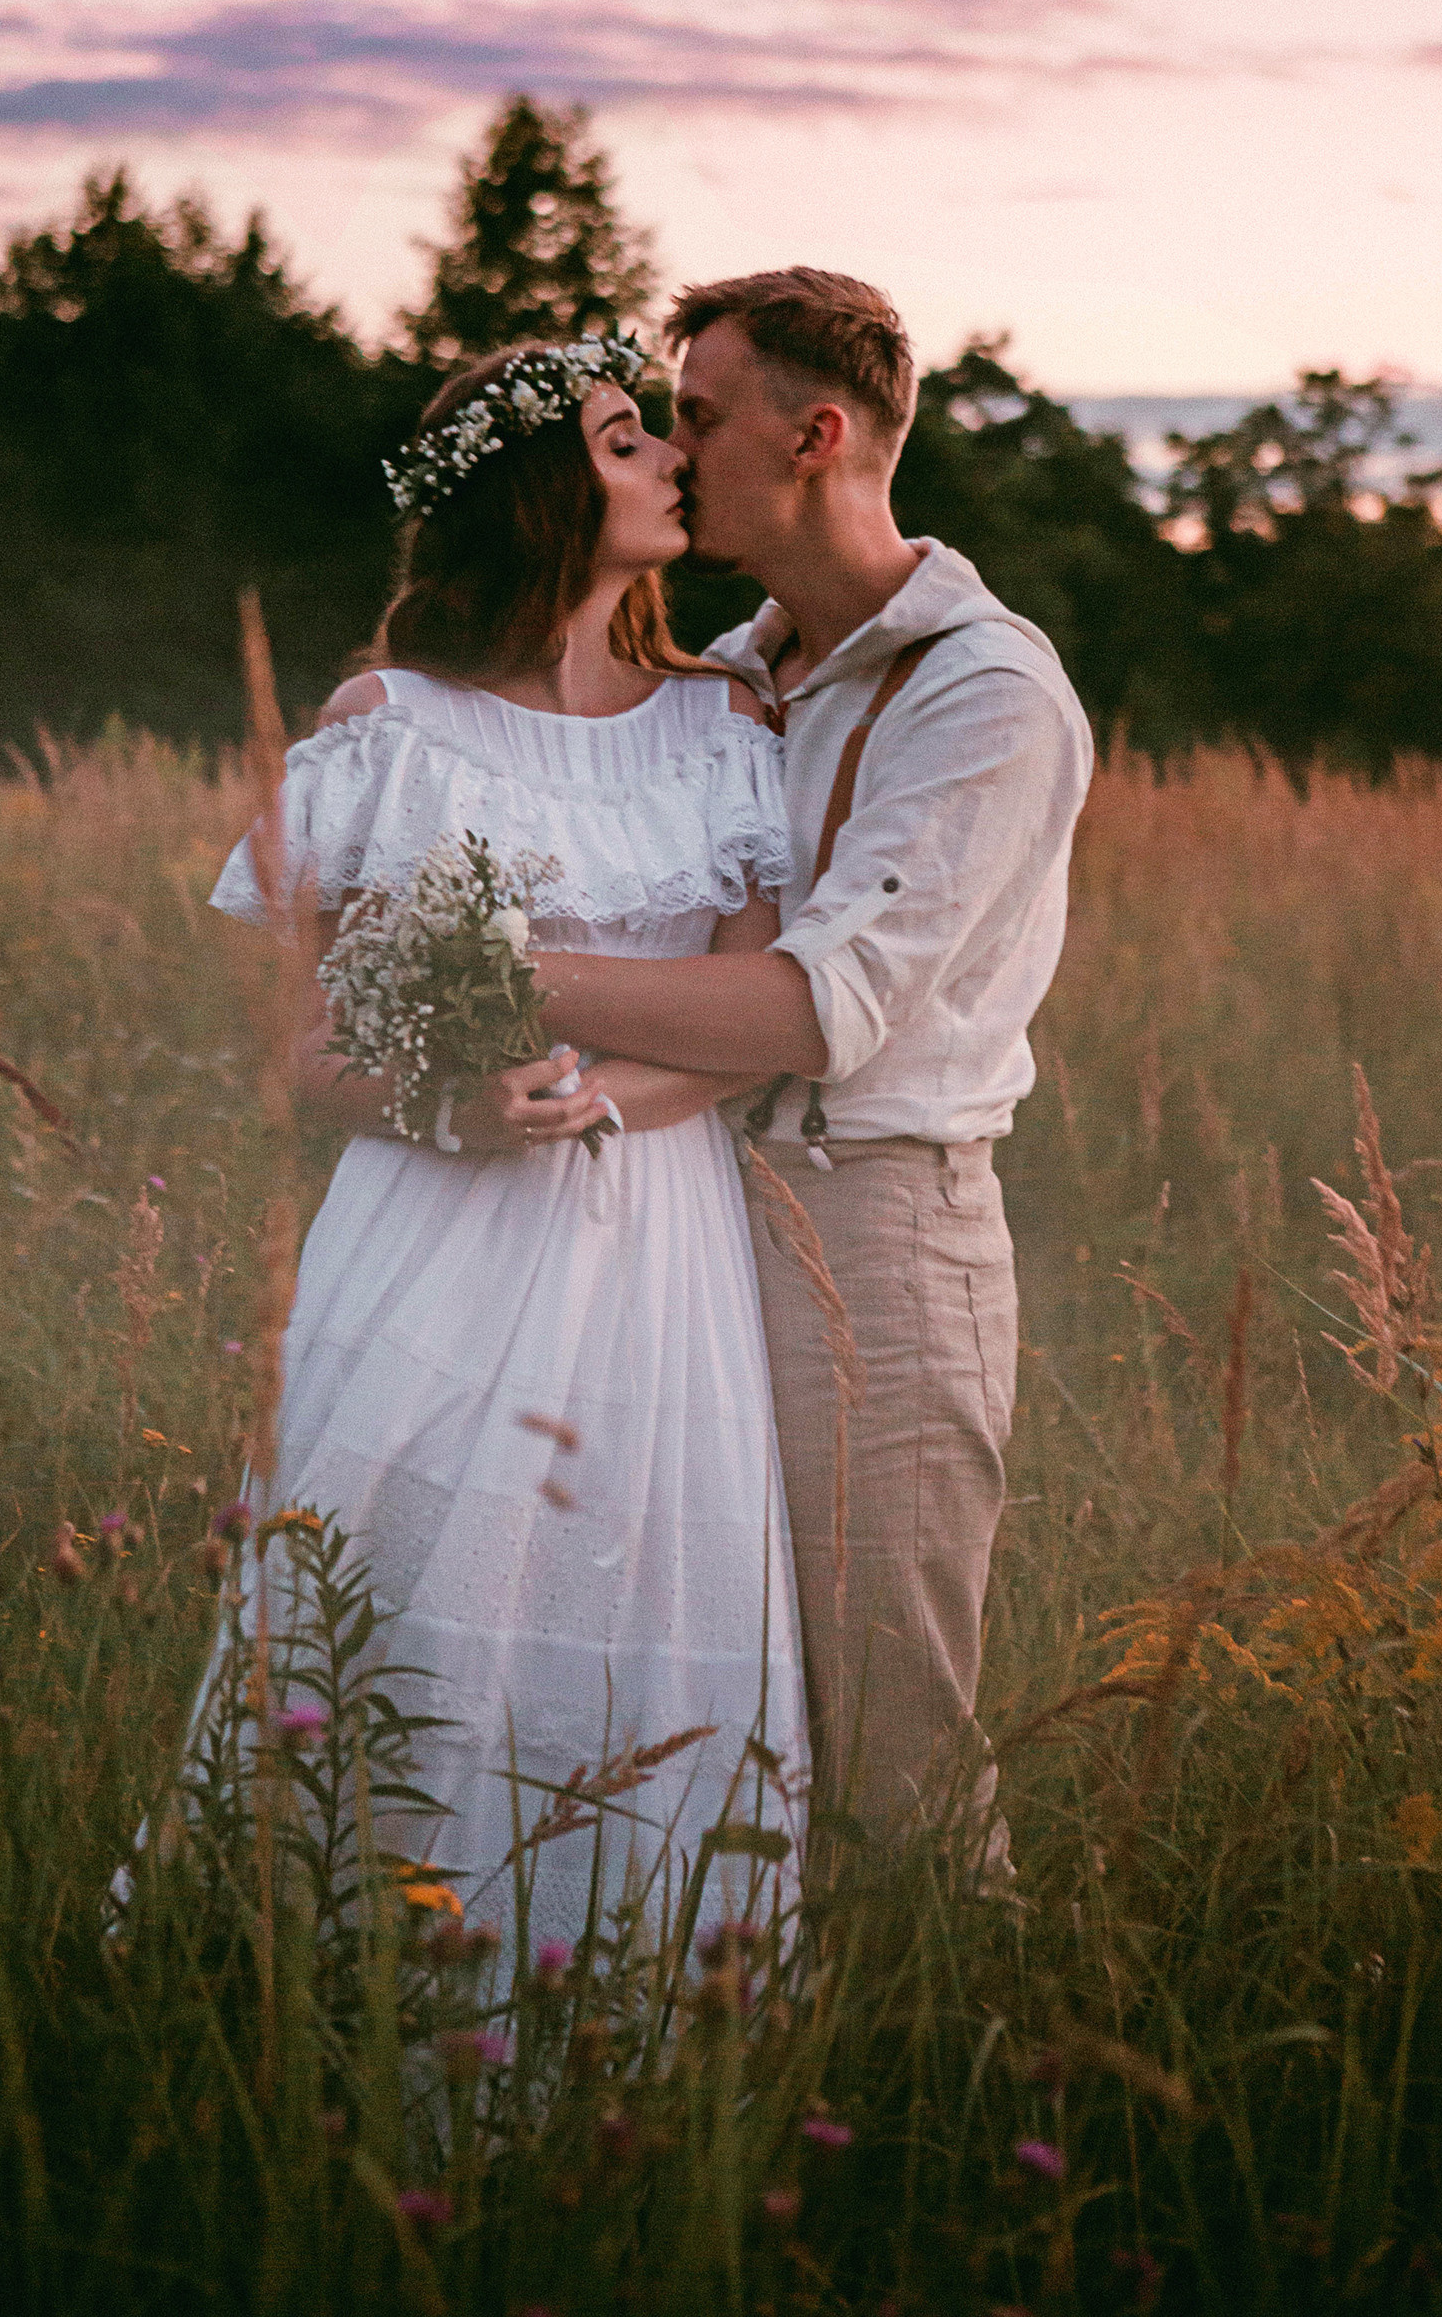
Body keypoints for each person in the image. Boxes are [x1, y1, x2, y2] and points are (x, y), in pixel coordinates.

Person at [178, 333, 808, 1943]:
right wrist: (458, 1106)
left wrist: (587, 1103)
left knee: (639, 1608)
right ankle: (341, 1980)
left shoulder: (724, 717)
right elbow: (313, 1057)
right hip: (437, 1226)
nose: (671, 457)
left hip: (654, 1228)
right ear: (541, 495)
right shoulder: (397, 725)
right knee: (391, 1618)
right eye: (623, 442)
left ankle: (617, 2002)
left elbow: (745, 1025)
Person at [535, 269, 1094, 1856]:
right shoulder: (732, 666)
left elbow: (808, 1011)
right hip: (688, 1212)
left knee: (888, 1731)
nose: (665, 443)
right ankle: (759, 2055)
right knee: (723, 1691)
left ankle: (951, 2069)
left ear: (819, 434)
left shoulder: (988, 694)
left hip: (877, 1228)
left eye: (700, 415)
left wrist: (493, 975)